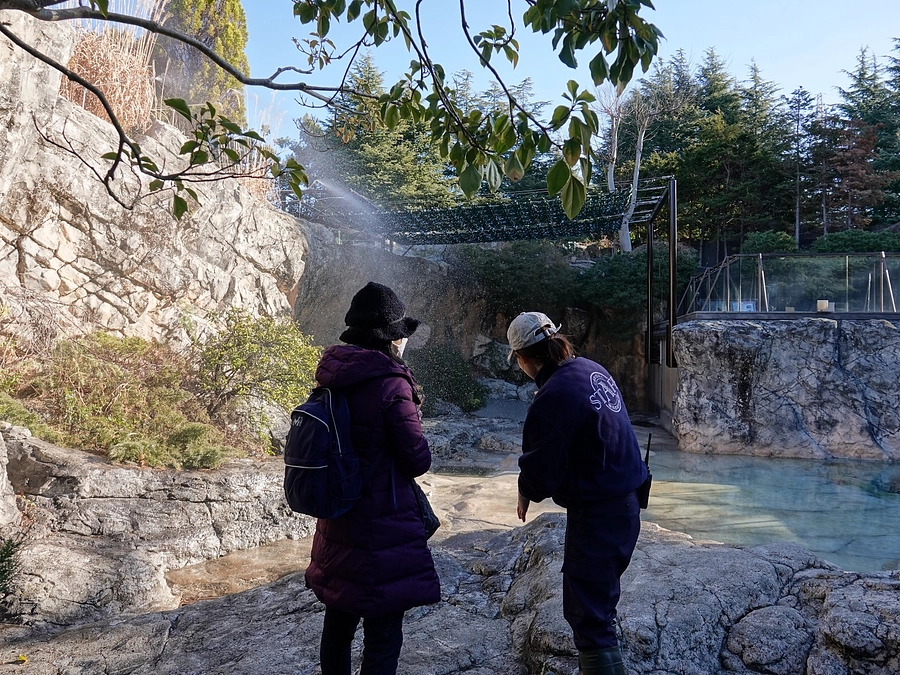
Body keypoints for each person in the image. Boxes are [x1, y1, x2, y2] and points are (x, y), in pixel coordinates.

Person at [305, 281, 440, 675]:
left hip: (340, 516)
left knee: (338, 625)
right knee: (383, 634)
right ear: (393, 338)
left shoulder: (333, 377)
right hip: (384, 523)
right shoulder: (391, 384)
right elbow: (417, 459)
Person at [508, 311, 647, 675]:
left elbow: (540, 473)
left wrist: (525, 489)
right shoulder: (590, 369)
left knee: (589, 616)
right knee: (599, 605)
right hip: (627, 500)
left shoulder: (553, 395)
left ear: (523, 359)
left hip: (600, 513)